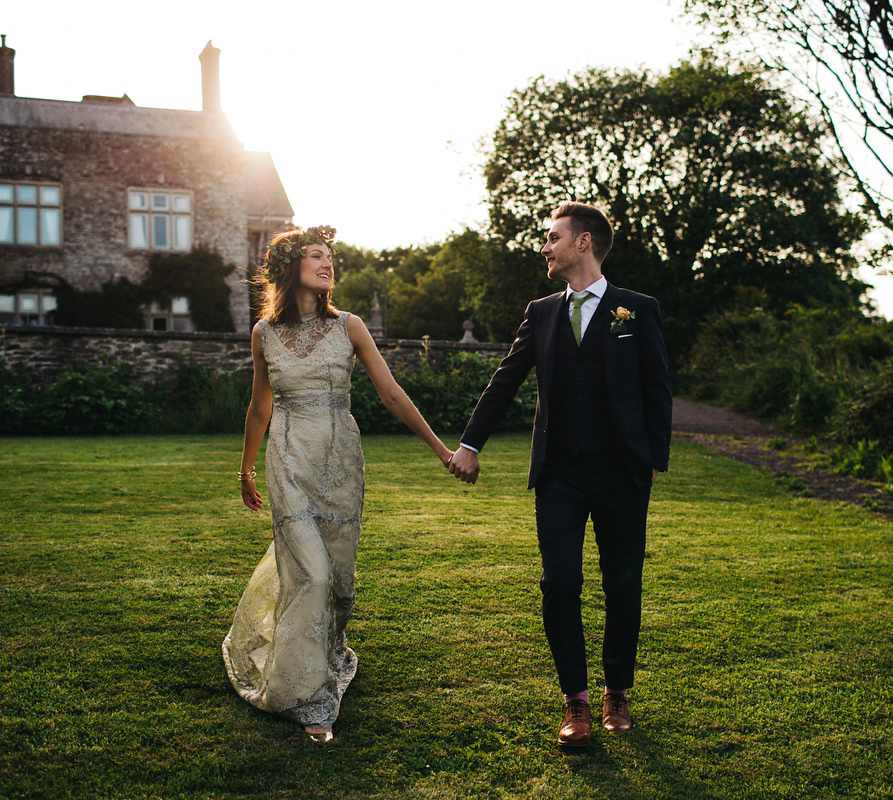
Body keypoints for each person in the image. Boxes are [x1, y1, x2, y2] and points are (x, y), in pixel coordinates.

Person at [448, 202, 672, 749]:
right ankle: (576, 702)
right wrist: (471, 443)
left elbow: (657, 390)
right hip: (559, 475)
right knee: (560, 584)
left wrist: (650, 462)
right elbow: (506, 379)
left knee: (623, 584)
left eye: (552, 238)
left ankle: (618, 691)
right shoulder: (542, 312)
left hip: (622, 473)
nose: (544, 247)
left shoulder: (635, 310)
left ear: (584, 243)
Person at [224, 225, 453, 742]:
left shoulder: (348, 326)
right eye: (315, 256)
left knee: (340, 586)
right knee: (314, 577)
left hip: (340, 465)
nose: (327, 264)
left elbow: (391, 393)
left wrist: (440, 449)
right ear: (290, 267)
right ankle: (308, 700)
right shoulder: (263, 334)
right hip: (289, 462)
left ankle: (326, 652)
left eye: (330, 257)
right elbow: (259, 407)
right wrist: (245, 469)